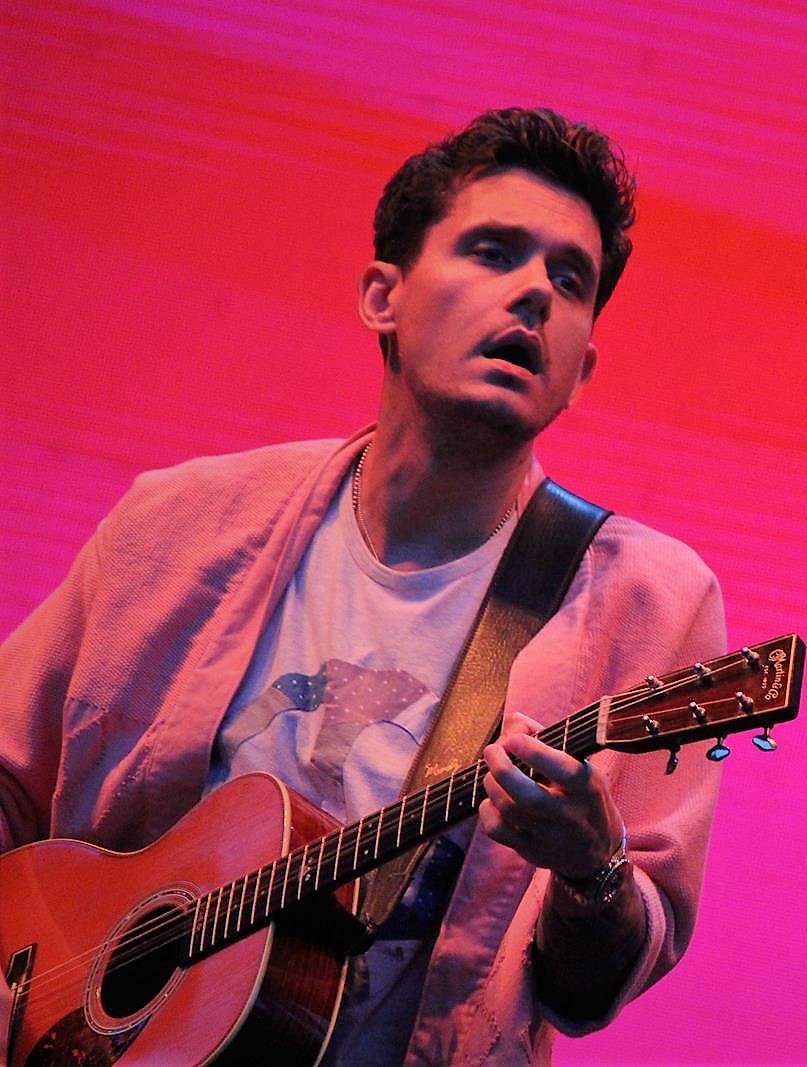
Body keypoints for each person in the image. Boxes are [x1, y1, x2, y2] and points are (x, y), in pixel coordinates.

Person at [0, 108, 725, 1064]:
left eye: (569, 279)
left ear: (580, 371)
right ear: (383, 296)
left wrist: (593, 868)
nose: (533, 294)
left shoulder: (645, 602)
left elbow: (592, 989)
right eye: (493, 252)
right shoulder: (179, 524)